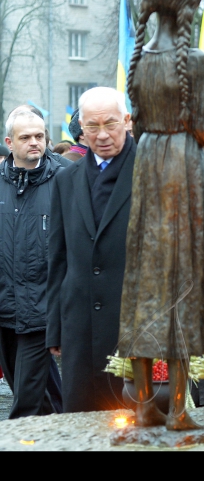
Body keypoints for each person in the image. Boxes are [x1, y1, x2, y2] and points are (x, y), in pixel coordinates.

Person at [118, 0, 204, 429]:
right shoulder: (195, 61)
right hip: (182, 170)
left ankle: (143, 403)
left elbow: (139, 123)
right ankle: (179, 409)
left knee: (145, 278)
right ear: (190, 2)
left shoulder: (138, 60)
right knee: (183, 276)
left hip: (148, 168)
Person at [46, 86, 135, 413]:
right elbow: (58, 256)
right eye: (92, 127)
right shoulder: (66, 180)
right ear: (81, 128)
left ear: (126, 121)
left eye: (110, 124)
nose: (102, 135)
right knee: (81, 422)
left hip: (132, 326)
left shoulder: (149, 173)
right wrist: (55, 326)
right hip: (79, 329)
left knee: (133, 425)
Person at [0, 108, 63, 418]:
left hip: (42, 311)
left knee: (24, 404)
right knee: (40, 398)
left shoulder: (64, 181)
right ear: (10, 142)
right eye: (25, 138)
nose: (34, 142)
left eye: (40, 136)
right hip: (4, 309)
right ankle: (69, 430)